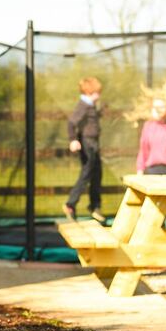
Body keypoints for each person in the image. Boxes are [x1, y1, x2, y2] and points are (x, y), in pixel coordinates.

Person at [63, 77, 105, 223]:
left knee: (97, 174)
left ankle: (95, 206)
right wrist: (73, 139)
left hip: (94, 143)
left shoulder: (91, 106)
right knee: (86, 174)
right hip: (87, 144)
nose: (99, 95)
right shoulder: (83, 105)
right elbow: (71, 123)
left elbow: (89, 121)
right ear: (89, 91)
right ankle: (70, 205)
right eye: (97, 93)